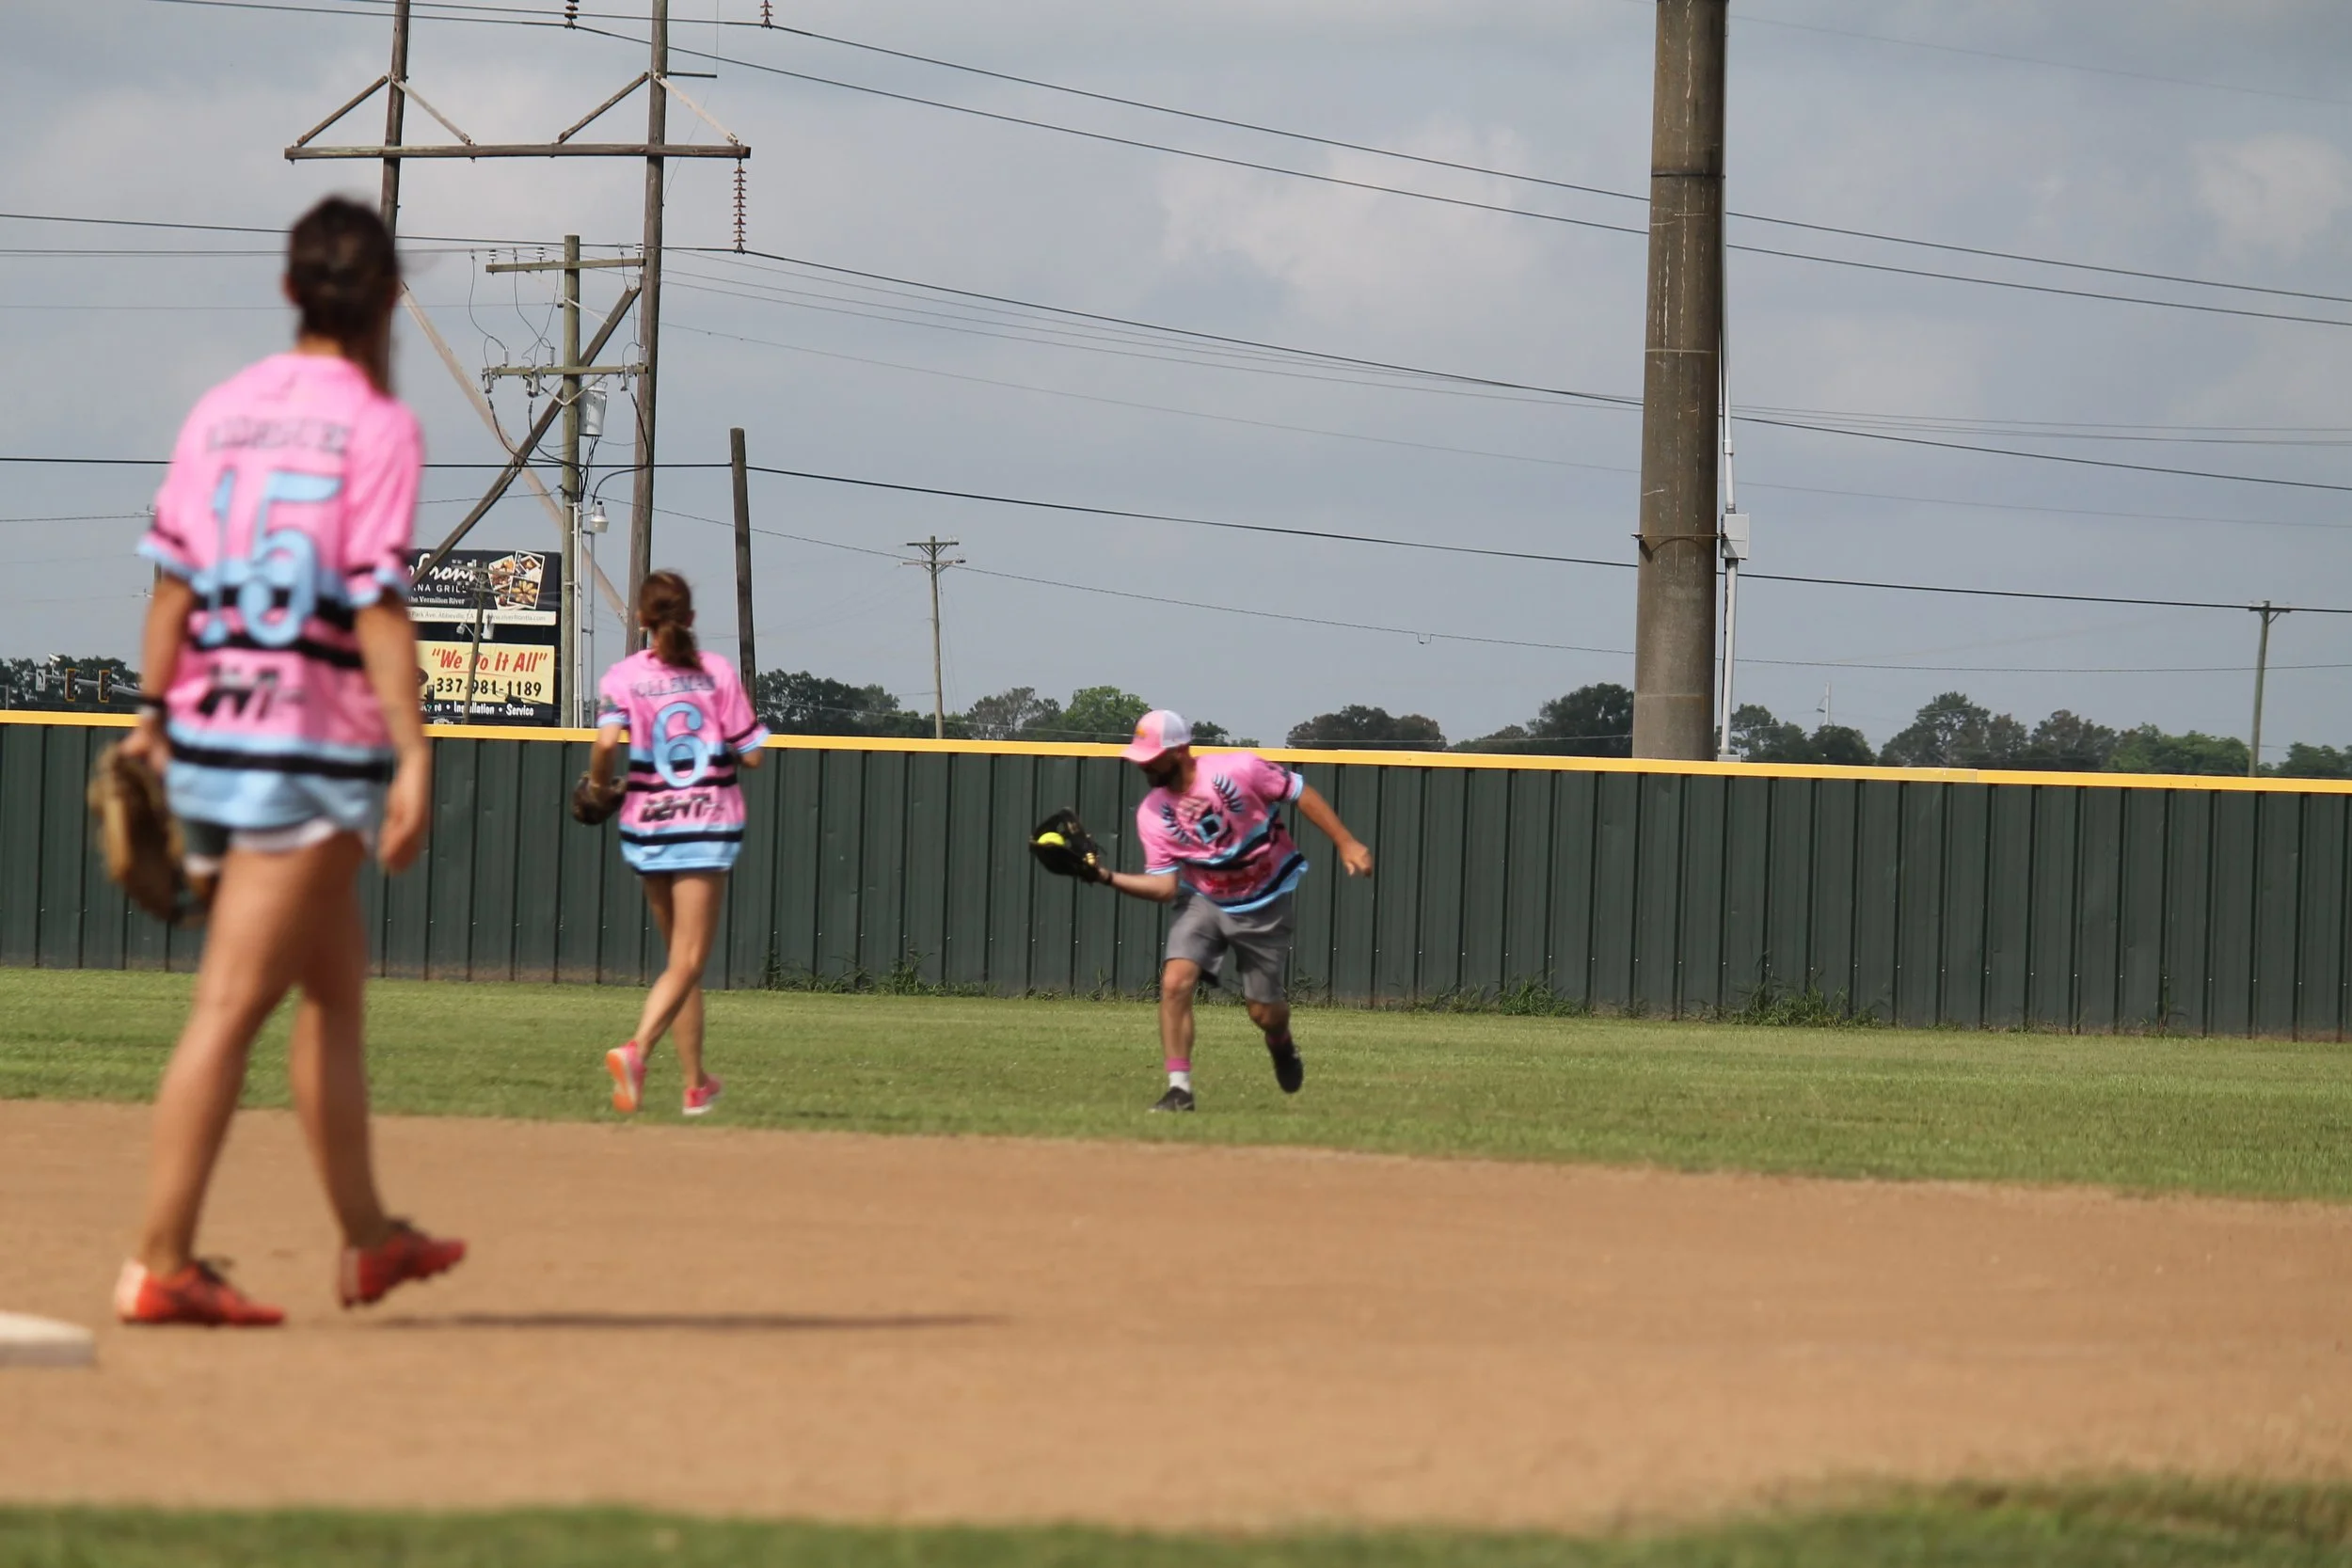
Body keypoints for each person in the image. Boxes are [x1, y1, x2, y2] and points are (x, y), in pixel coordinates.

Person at [114, 196, 465, 1327]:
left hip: (212, 730)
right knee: (230, 1004)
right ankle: (160, 1259)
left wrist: (148, 716)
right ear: (388, 299)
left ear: (288, 290)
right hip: (305, 746)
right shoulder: (376, 421)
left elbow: (171, 584)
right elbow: (374, 601)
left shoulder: (222, 408)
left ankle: (368, 1239)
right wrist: (412, 752)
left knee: (331, 987)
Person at [1094, 710, 1373, 1112]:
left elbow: (1300, 792)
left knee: (1263, 1012)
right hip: (1203, 897)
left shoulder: (1241, 769)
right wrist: (1103, 876)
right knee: (1174, 983)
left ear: (1181, 750)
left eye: (1152, 756)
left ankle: (1281, 1043)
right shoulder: (1152, 813)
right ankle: (1179, 1090)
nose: (1145, 765)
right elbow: (1165, 886)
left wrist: (1346, 842)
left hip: (1265, 898)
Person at [586, 571, 770, 1117]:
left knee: (679, 962)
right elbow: (754, 754)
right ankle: (635, 1050)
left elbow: (604, 745)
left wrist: (599, 786)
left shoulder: (623, 676)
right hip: (704, 824)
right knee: (690, 959)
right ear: (690, 618)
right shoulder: (714, 672)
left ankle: (695, 1087)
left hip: (648, 825)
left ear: (641, 621)